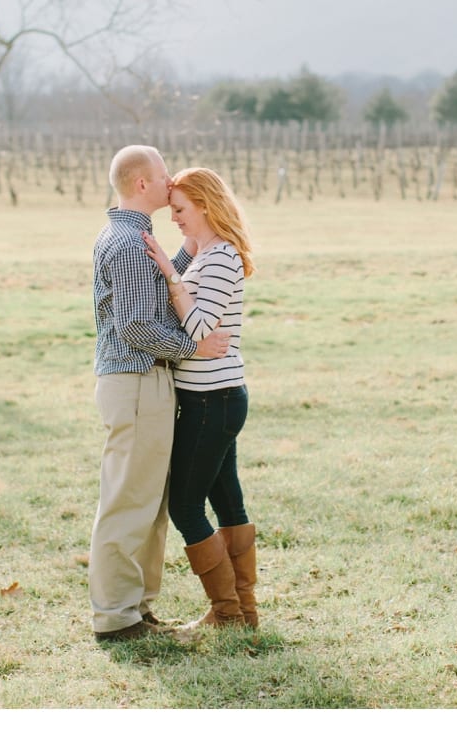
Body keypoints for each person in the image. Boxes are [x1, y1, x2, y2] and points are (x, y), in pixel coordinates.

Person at [89, 146, 232, 642]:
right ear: (142, 185)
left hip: (145, 382)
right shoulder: (128, 244)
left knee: (148, 501)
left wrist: (186, 254)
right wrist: (194, 346)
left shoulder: (134, 238)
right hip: (135, 381)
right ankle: (115, 617)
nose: (171, 181)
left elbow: (147, 293)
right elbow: (136, 325)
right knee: (129, 500)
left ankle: (137, 609)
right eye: (164, 174)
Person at [141, 167, 259, 634]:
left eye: (181, 210)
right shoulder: (204, 255)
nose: (174, 218)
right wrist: (181, 259)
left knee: (186, 506)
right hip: (214, 397)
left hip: (213, 400)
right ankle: (242, 613)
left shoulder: (223, 258)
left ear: (206, 206)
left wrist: (172, 274)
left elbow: (197, 330)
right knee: (227, 499)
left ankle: (227, 613)